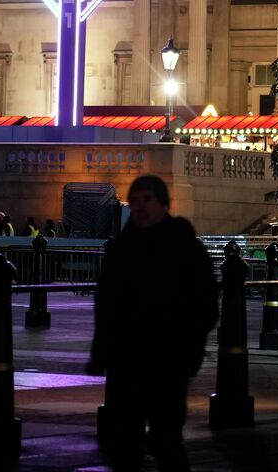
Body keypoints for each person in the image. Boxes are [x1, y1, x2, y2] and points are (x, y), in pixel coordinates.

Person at [86, 174, 218, 472]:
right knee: (126, 444)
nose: (140, 207)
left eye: (147, 200)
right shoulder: (121, 249)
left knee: (165, 439)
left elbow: (206, 303)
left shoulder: (185, 247)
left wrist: (188, 347)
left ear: (163, 204)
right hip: (128, 360)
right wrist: (101, 353)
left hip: (169, 359)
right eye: (134, 201)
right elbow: (106, 305)